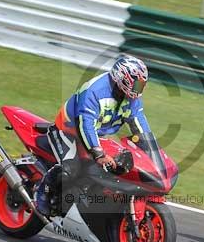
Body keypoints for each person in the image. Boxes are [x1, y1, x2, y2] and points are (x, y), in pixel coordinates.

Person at [35, 55, 151, 215]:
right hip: (69, 130)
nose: (140, 88)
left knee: (120, 168)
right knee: (70, 169)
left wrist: (150, 147)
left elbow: (139, 121)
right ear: (123, 78)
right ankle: (43, 192)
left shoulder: (131, 98)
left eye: (142, 84)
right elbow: (86, 125)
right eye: (137, 84)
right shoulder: (95, 91)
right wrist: (98, 153)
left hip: (101, 136)